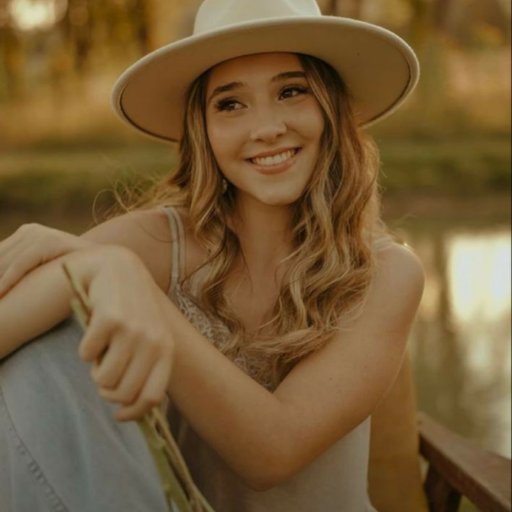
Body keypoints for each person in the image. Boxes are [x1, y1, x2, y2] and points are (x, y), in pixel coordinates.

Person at [0, 0, 426, 510]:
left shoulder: (388, 273)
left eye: (291, 91)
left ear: (330, 108)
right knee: (41, 354)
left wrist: (130, 286)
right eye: (230, 104)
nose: (266, 128)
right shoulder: (159, 241)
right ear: (202, 129)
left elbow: (275, 451)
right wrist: (99, 270)